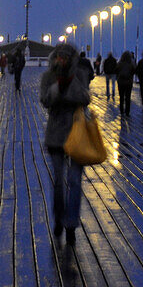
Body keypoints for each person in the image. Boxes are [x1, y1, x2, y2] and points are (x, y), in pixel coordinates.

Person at [39, 42, 91, 245]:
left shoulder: (79, 74)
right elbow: (45, 100)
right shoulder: (48, 77)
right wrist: (57, 88)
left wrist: (70, 83)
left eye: (66, 57)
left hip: (77, 134)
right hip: (55, 134)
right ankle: (59, 218)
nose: (62, 60)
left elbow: (85, 98)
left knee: (75, 181)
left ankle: (71, 223)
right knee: (59, 181)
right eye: (59, 56)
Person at [115, 51, 136, 116]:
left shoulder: (119, 63)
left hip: (121, 82)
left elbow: (116, 70)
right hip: (129, 82)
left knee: (121, 97)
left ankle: (121, 111)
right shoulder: (131, 63)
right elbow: (134, 71)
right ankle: (127, 112)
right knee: (128, 97)